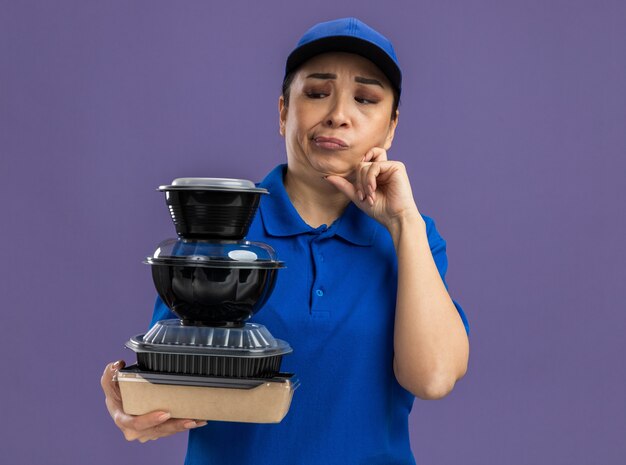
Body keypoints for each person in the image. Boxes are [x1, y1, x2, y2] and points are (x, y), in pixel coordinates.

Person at [101, 17, 470, 464]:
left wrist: (404, 223)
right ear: (282, 112)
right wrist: (132, 404)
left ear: (391, 128)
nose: (338, 113)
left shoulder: (413, 238)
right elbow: (170, 379)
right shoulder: (218, 231)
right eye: (317, 93)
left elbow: (432, 379)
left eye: (366, 99)